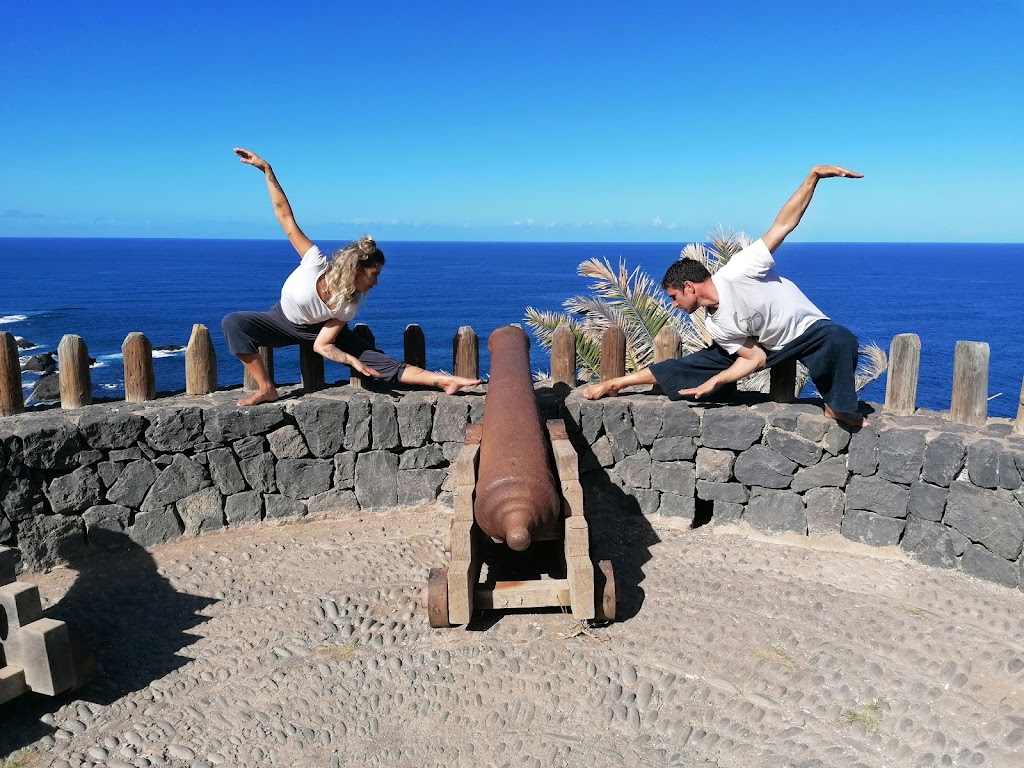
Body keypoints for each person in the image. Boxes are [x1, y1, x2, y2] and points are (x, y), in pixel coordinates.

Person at [583, 165, 869, 427]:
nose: (673, 305)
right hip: (768, 347)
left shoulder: (739, 270)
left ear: (689, 287)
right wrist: (715, 381)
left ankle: (837, 407)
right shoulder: (716, 325)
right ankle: (617, 383)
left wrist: (813, 177)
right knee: (692, 366)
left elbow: (783, 225)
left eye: (674, 296)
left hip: (808, 333)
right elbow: (755, 358)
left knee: (840, 337)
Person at [222, 148, 480, 407]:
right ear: (356, 268)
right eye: (373, 274)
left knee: (381, 363)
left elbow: (322, 345)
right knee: (234, 323)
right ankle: (267, 388)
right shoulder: (314, 261)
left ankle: (444, 381)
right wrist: (267, 170)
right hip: (280, 321)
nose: (376, 283)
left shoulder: (348, 305)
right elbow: (284, 215)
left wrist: (351, 359)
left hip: (319, 331)